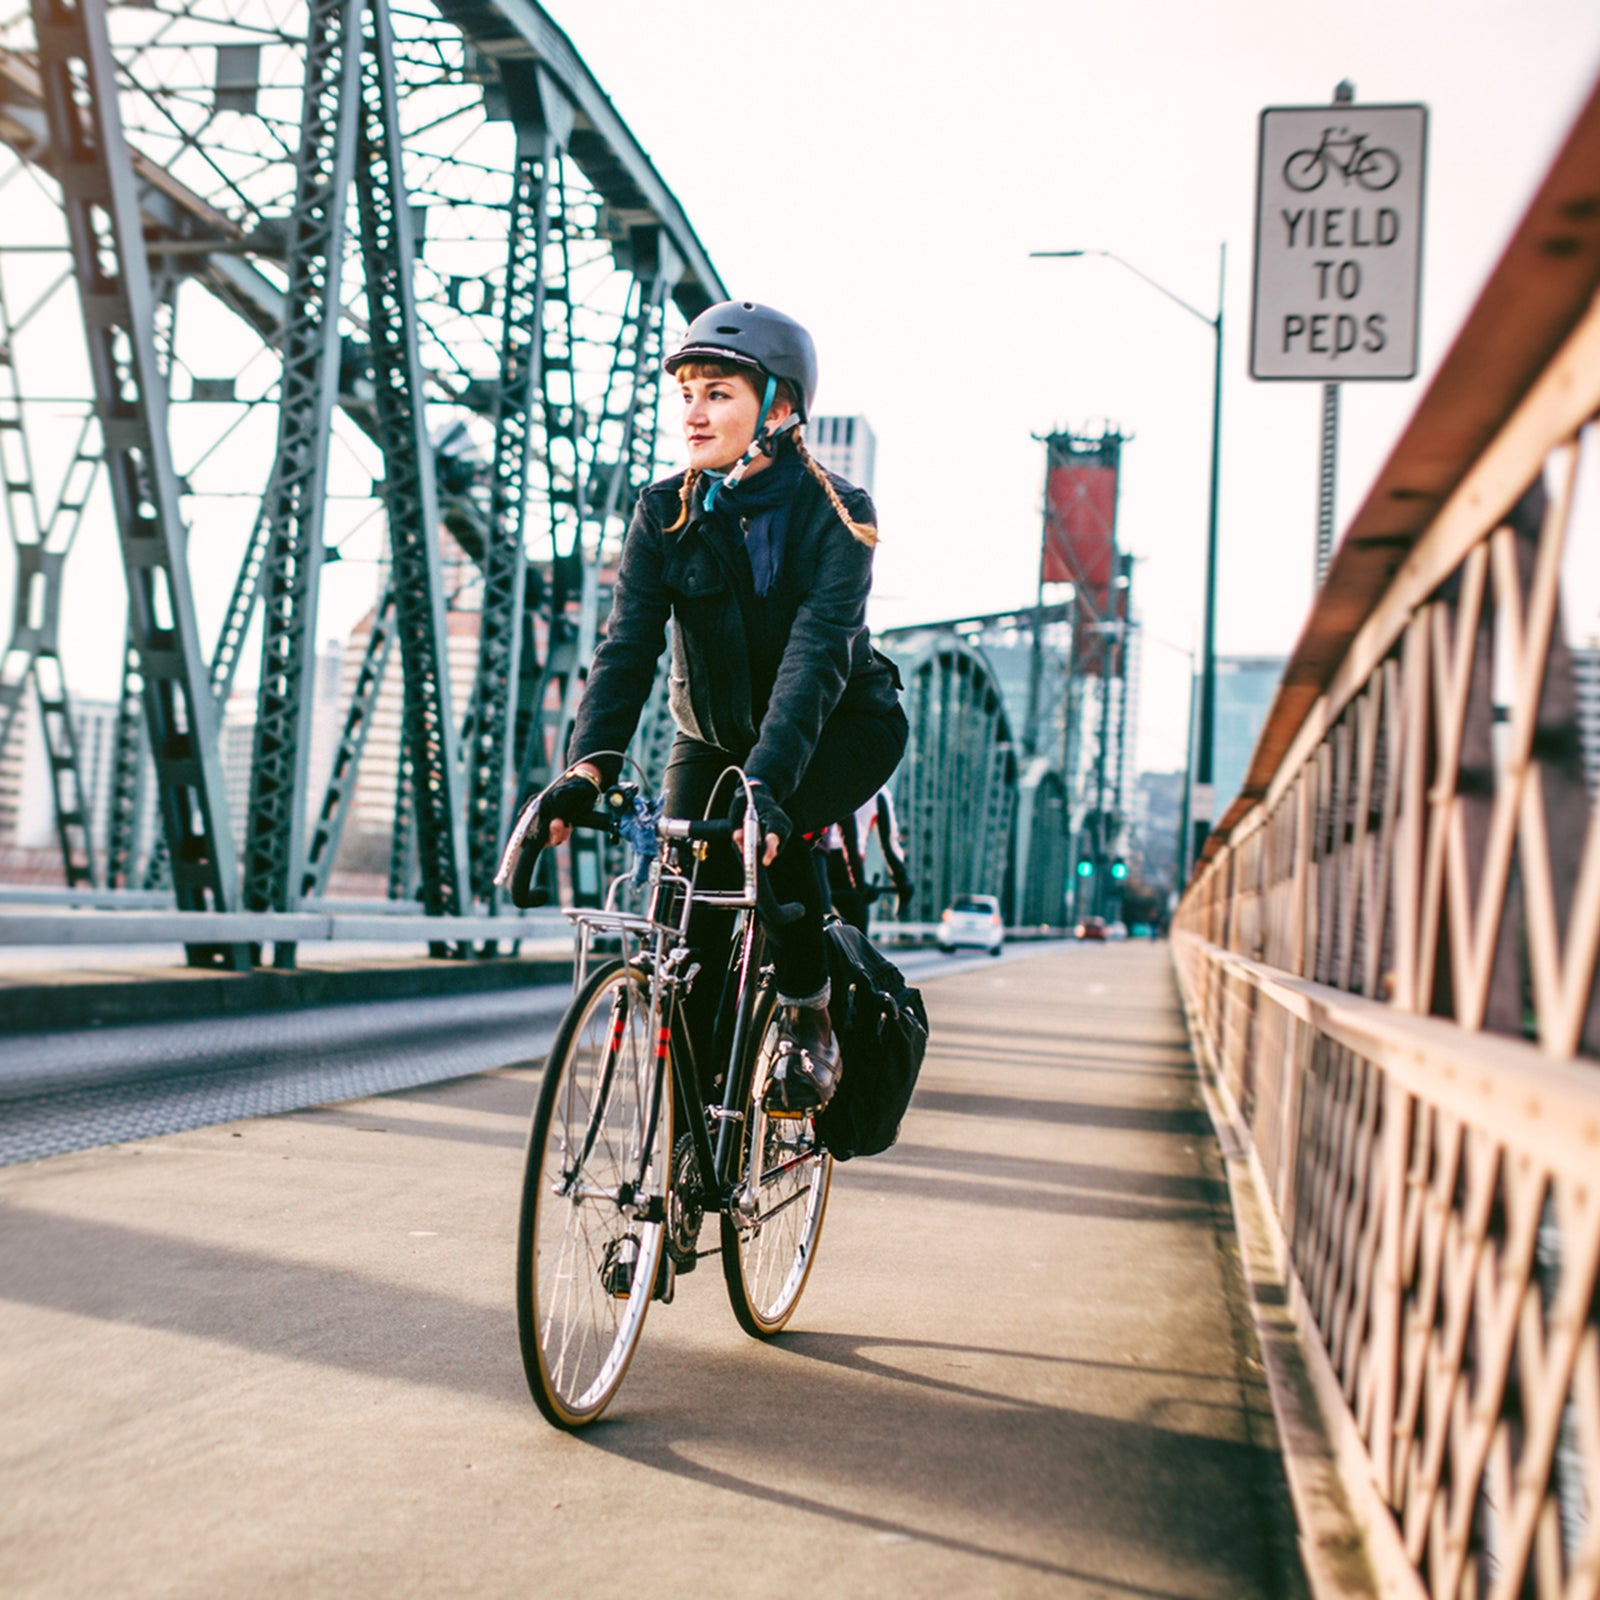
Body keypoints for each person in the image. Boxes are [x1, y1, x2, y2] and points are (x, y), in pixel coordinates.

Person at [510, 301, 907, 1115]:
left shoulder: (839, 513)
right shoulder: (665, 510)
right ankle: (687, 1161)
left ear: (781, 407)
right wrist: (588, 766)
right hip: (710, 737)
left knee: (775, 825)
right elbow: (627, 649)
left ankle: (806, 1008)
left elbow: (816, 656)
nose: (694, 412)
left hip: (839, 726)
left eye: (719, 393)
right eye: (687, 392)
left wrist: (765, 782)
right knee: (681, 940)